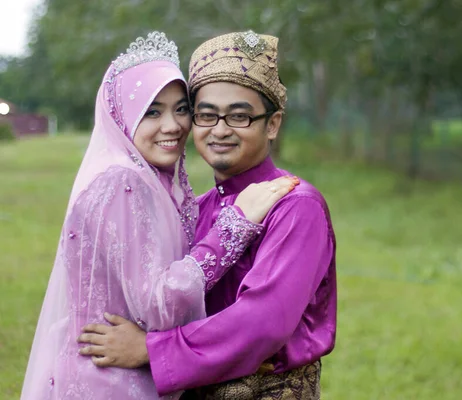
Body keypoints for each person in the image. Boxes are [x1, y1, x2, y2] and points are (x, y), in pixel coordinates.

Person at [20, 31, 297, 400]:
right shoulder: (123, 183)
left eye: (181, 109)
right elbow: (157, 306)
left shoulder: (159, 187)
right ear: (123, 117)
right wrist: (234, 227)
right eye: (152, 111)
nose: (173, 126)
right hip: (110, 381)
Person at [78, 31, 337, 399]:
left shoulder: (295, 205)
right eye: (205, 115)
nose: (219, 130)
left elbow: (265, 322)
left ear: (273, 124)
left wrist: (150, 349)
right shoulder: (198, 208)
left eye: (239, 117)